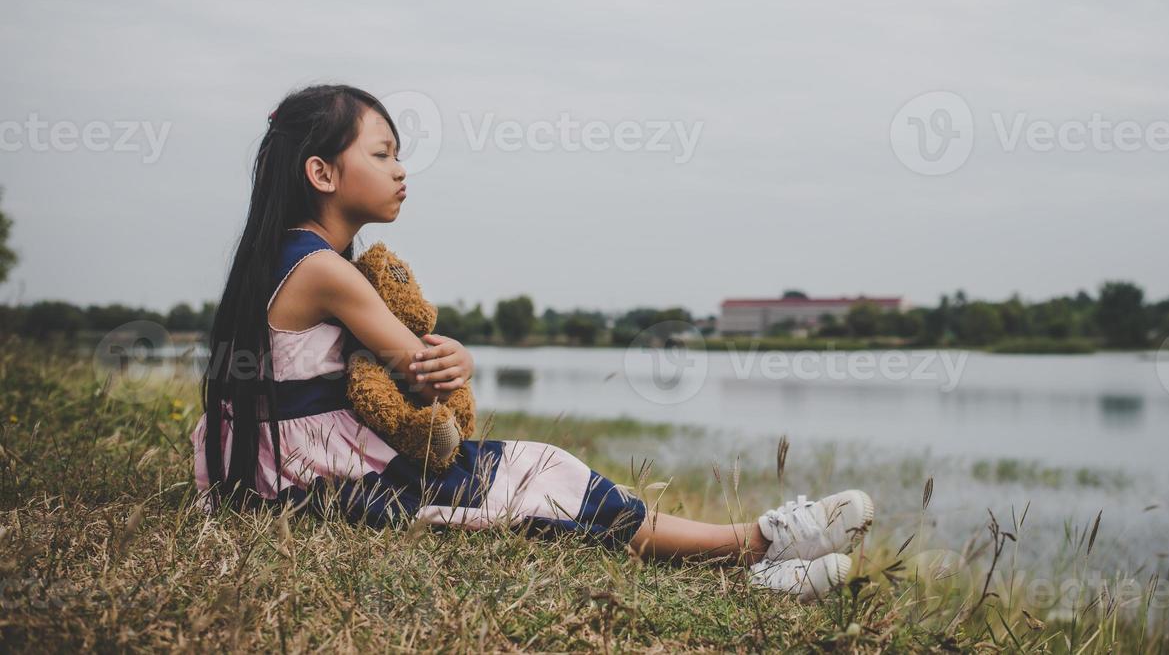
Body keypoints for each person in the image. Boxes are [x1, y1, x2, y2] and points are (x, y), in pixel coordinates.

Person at [189, 83, 875, 601]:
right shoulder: (325, 271)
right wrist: (457, 358)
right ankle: (752, 548)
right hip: (319, 485)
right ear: (322, 174)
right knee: (538, 474)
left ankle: (755, 561)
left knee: (527, 480)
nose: (402, 169)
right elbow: (418, 370)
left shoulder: (286, 257)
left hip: (286, 470)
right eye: (383, 153)